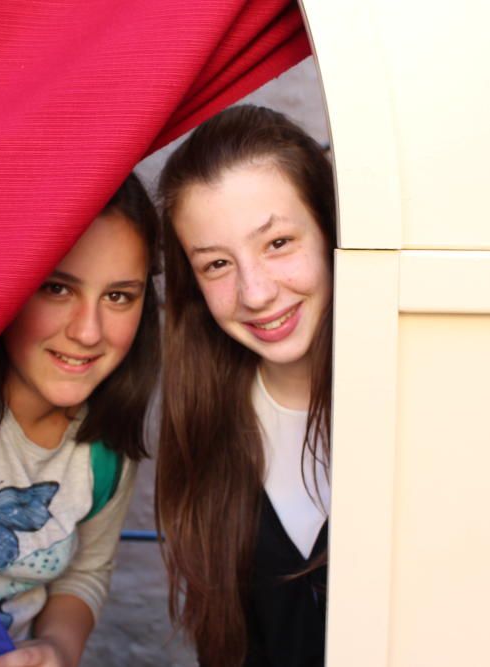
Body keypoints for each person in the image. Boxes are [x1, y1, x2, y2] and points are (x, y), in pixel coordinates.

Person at [0, 173, 160, 667]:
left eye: (118, 296)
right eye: (57, 287)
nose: (88, 331)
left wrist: (56, 647)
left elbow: (85, 573)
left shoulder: (102, 456)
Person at [156, 105, 333, 667]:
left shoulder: (424, 406)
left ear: (333, 233)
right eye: (216, 265)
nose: (254, 292)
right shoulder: (206, 428)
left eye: (278, 243)